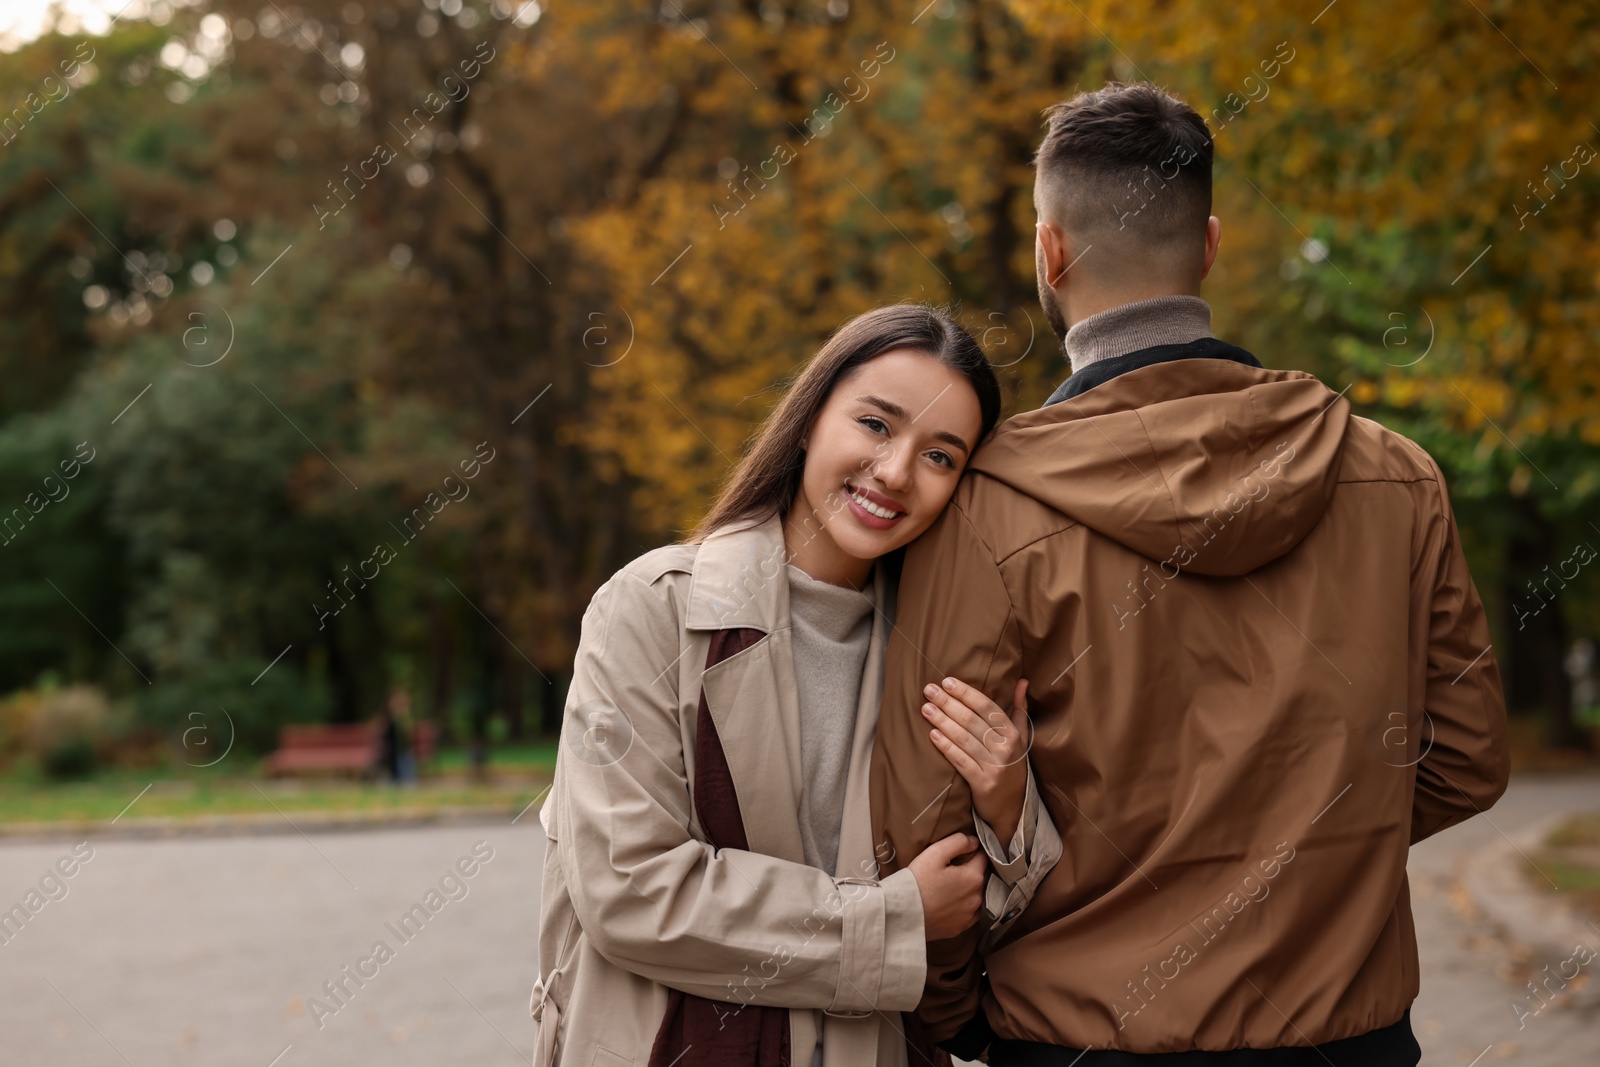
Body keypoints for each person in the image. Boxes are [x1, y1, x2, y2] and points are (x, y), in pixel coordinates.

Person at [870, 83, 1510, 1066]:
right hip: (1346, 1034)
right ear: (1208, 245)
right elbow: (1467, 759)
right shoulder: (1394, 476)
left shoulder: (983, 504)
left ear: (1048, 252)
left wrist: (949, 1013)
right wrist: (1310, 864)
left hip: (1074, 1034)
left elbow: (926, 814)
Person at [530, 305, 1064, 1067]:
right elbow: (631, 889)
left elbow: (983, 938)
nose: (895, 472)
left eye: (941, 456)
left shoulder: (946, 649)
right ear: (811, 418)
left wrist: (1011, 813)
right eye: (877, 424)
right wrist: (891, 919)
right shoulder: (651, 608)